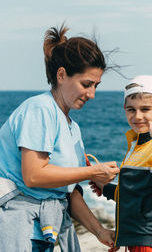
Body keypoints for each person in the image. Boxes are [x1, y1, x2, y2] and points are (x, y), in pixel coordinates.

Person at [0, 24, 120, 252]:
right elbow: (34, 175)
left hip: (45, 233)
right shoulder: (40, 109)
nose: (92, 94)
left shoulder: (72, 128)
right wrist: (93, 172)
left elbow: (68, 193)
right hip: (18, 229)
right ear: (62, 75)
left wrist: (100, 231)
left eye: (96, 86)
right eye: (86, 84)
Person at [92, 75, 152, 252]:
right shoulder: (136, 146)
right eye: (131, 110)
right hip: (137, 240)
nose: (137, 116)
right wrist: (106, 188)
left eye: (145, 109)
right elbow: (138, 193)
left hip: (151, 241)